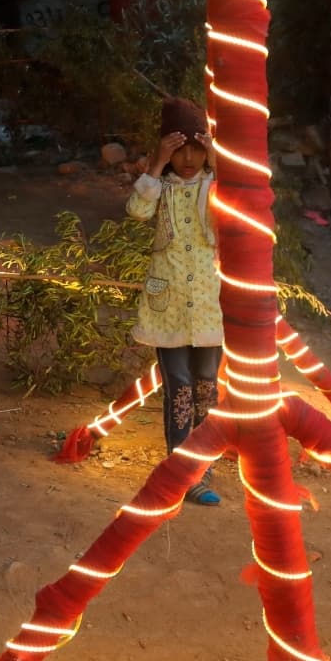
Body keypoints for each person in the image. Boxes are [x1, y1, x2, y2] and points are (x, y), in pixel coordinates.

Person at [126, 97, 223, 506]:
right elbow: (136, 212)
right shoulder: (159, 187)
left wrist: (218, 161)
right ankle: (182, 472)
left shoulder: (212, 186)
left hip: (206, 305)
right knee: (179, 386)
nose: (187, 158)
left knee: (206, 386)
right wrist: (154, 163)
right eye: (178, 150)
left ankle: (205, 466)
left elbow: (235, 202)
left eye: (195, 149)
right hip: (167, 309)